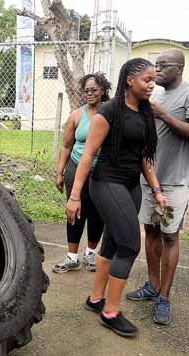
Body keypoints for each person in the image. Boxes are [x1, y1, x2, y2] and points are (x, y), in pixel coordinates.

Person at [67, 58, 167, 337]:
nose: (152, 84)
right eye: (147, 79)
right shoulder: (108, 112)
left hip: (130, 186)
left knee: (112, 243)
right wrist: (75, 196)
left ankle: (96, 299)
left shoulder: (145, 112)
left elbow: (145, 158)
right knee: (129, 245)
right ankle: (111, 312)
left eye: (153, 80)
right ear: (129, 80)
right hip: (106, 183)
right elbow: (87, 156)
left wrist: (157, 190)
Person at [126, 49, 189, 326]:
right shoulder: (154, 96)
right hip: (148, 179)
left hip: (175, 180)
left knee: (170, 236)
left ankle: (164, 296)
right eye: (155, 65)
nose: (157, 71)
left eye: (163, 66)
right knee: (150, 231)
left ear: (179, 68)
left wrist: (162, 115)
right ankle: (152, 285)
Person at [53, 72, 111, 274]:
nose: (89, 94)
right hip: (76, 167)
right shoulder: (76, 115)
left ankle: (90, 254)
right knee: (74, 211)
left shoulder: (110, 113)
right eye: (85, 90)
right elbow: (66, 146)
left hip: (101, 171)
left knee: (97, 212)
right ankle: (72, 257)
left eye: (93, 90)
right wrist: (59, 172)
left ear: (103, 90)